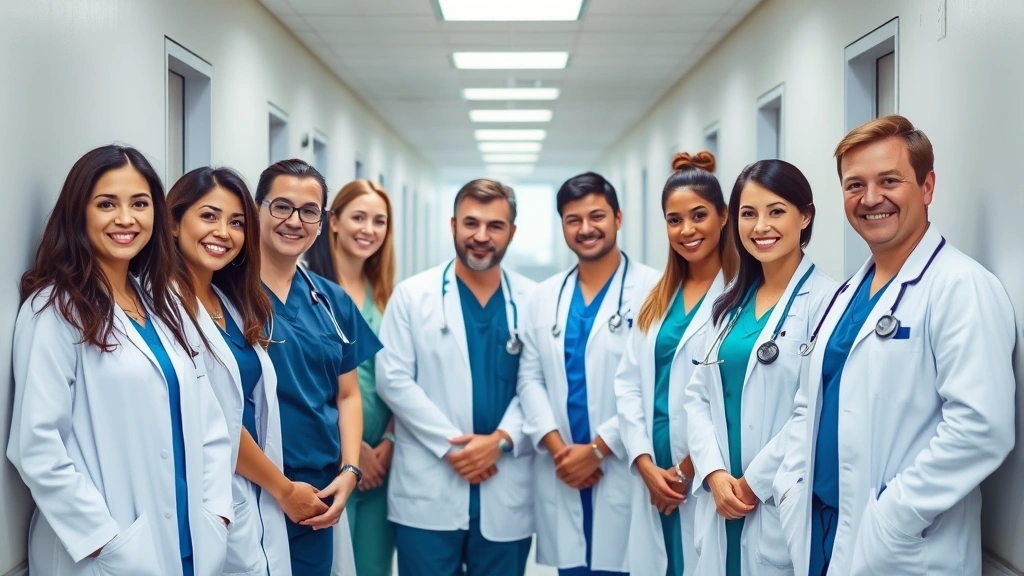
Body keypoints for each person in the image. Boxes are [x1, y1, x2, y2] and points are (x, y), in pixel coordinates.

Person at [773, 115, 1016, 576]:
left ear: (927, 187)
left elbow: (981, 427)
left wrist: (892, 519)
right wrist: (789, 487)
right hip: (821, 533)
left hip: (899, 548)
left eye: (889, 181)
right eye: (854, 185)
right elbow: (810, 402)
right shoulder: (847, 293)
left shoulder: (960, 287)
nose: (870, 199)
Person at [7, 145, 233, 576]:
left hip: (189, 546)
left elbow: (210, 426)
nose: (126, 219)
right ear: (79, 213)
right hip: (108, 555)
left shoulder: (162, 304)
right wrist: (104, 542)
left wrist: (217, 511)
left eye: (140, 204)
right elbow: (37, 446)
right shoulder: (54, 310)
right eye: (107, 203)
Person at [169, 166, 329, 575]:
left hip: (248, 492)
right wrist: (283, 489)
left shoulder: (231, 301)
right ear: (173, 223)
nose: (223, 231)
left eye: (235, 222)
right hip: (212, 492)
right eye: (208, 216)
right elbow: (217, 418)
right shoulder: (163, 307)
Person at [683, 159, 837, 576]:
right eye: (748, 214)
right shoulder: (729, 303)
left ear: (805, 215)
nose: (760, 226)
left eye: (776, 211)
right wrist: (714, 472)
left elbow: (814, 410)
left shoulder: (827, 302)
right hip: (720, 496)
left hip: (770, 497)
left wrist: (754, 481)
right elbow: (696, 395)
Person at [376, 178, 536, 576]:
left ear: (511, 233)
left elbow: (540, 383)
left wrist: (500, 441)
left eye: (495, 226)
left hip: (505, 481)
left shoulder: (535, 299)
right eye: (471, 223)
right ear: (453, 226)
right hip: (428, 487)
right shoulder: (412, 296)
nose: (481, 236)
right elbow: (392, 379)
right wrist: (457, 449)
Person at [516, 172, 659, 576]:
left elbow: (654, 383)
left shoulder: (654, 289)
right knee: (575, 566)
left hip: (622, 463)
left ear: (618, 217)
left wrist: (598, 448)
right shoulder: (544, 296)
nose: (585, 228)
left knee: (629, 562)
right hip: (562, 467)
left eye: (596, 216)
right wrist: (560, 449)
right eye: (572, 219)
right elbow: (529, 377)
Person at [255, 159, 382, 576]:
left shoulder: (331, 301)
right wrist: (282, 488)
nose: (295, 221)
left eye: (309, 211)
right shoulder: (226, 297)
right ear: (257, 208)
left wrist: (349, 470)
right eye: (281, 207)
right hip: (249, 487)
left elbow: (348, 394)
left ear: (323, 220)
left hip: (317, 494)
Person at [614, 152, 737, 576]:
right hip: (652, 475)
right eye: (674, 219)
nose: (686, 230)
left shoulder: (743, 294)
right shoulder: (656, 295)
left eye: (698, 215)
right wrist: (645, 463)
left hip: (700, 477)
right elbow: (627, 383)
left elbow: (731, 397)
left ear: (724, 217)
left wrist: (685, 471)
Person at [308, 179, 398, 576]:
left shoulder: (389, 295)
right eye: (358, 217)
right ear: (334, 223)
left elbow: (406, 378)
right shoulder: (309, 291)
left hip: (384, 459)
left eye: (379, 221)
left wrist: (389, 441)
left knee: (375, 566)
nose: (369, 229)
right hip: (332, 458)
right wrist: (353, 450)